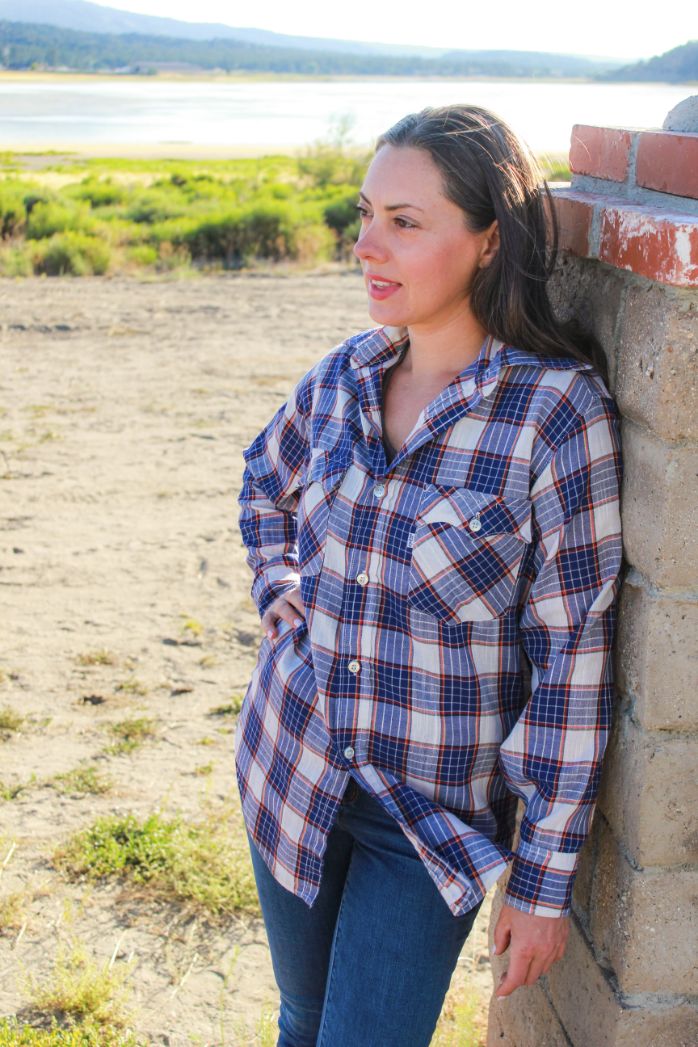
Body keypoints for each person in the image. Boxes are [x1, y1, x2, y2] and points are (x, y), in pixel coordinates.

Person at [235, 104, 623, 1047]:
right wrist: (279, 588)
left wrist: (542, 877)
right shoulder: (343, 377)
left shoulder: (555, 417)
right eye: (367, 213)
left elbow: (574, 660)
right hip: (292, 765)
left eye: (406, 222)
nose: (368, 243)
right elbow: (262, 482)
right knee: (300, 1016)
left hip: (425, 827)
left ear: (490, 239)